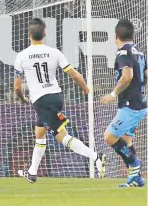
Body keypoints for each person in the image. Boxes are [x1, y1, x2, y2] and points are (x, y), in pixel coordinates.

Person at [14, 18, 105, 183]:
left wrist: (22, 99)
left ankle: (95, 156)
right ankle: (32, 172)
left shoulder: (21, 56)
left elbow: (17, 88)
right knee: (39, 133)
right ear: (45, 34)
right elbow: (74, 74)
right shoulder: (54, 52)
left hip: (41, 101)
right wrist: (85, 88)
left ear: (29, 36)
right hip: (56, 97)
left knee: (61, 137)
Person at [101, 19, 146, 187]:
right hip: (140, 104)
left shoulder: (123, 53)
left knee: (110, 136)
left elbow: (127, 76)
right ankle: (137, 178)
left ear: (116, 36)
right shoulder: (139, 52)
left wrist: (113, 94)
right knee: (126, 140)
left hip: (130, 105)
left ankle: (134, 164)